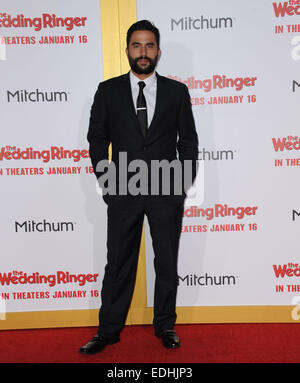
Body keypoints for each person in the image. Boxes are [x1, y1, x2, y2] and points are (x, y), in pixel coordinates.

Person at [80, 20, 199, 354]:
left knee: (166, 262)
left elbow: (188, 142)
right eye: (136, 45)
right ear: (127, 50)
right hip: (124, 190)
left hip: (166, 191)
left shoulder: (177, 92)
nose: (143, 52)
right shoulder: (108, 90)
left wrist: (180, 184)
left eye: (149, 46)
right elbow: (97, 139)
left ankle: (165, 325)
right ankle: (108, 331)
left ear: (158, 51)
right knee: (118, 262)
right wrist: (108, 182)